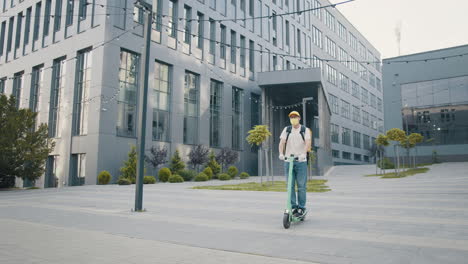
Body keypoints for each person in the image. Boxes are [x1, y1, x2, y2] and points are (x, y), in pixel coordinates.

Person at [278, 111, 312, 217]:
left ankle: (301, 208)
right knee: (290, 186)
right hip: (289, 161)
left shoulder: (304, 130)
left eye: (295, 117)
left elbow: (308, 143)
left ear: (299, 118)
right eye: (291, 117)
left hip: (301, 161)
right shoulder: (287, 130)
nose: (293, 119)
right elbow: (282, 142)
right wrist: (281, 153)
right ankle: (293, 207)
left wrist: (304, 153)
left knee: (301, 186)